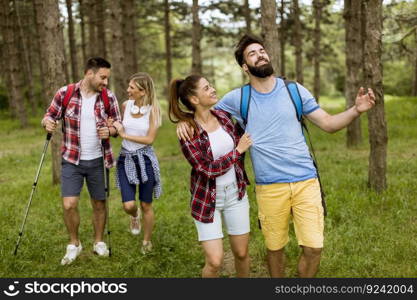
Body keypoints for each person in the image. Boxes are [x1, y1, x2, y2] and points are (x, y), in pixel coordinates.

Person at [177, 34, 376, 278]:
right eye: (252, 53)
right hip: (270, 187)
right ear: (244, 67)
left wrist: (356, 109)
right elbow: (203, 112)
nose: (260, 54)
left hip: (306, 181)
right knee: (275, 249)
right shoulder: (238, 98)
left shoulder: (294, 90)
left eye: (262, 50)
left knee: (314, 248)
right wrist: (185, 121)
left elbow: (329, 123)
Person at [169, 75, 253, 278]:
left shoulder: (224, 117)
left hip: (236, 194)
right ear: (195, 99)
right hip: (207, 200)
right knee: (214, 262)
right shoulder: (189, 131)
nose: (213, 89)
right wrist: (237, 152)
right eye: (207, 88)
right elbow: (206, 169)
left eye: (211, 85)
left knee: (241, 253)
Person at [42, 57, 121, 265]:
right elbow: (50, 115)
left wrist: (111, 130)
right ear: (89, 73)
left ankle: (98, 242)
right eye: (102, 77)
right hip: (72, 159)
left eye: (107, 78)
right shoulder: (65, 93)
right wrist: (48, 123)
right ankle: (74, 244)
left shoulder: (108, 97)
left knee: (99, 203)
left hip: (98, 159)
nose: (105, 82)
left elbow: (118, 125)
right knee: (69, 204)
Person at [109, 72, 162, 254]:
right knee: (129, 205)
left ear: (143, 91)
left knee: (146, 204)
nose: (128, 90)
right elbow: (118, 126)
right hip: (126, 159)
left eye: (132, 87)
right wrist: (114, 127)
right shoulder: (125, 105)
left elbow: (149, 139)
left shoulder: (153, 110)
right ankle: (134, 216)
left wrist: (124, 134)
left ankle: (146, 242)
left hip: (145, 159)